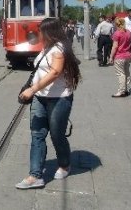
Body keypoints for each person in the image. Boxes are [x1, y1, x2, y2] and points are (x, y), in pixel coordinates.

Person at [17, 18, 81, 189]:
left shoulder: (60, 48)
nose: (39, 33)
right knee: (37, 134)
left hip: (59, 99)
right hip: (40, 97)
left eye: (42, 30)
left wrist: (32, 89)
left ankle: (65, 164)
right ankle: (35, 175)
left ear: (50, 31)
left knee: (56, 135)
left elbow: (54, 73)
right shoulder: (47, 46)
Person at [108, 17, 131, 97]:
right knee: (127, 72)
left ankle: (121, 91)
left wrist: (111, 57)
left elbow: (115, 46)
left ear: (116, 24)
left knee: (120, 74)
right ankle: (127, 89)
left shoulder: (117, 33)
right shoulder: (128, 32)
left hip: (119, 56)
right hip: (128, 55)